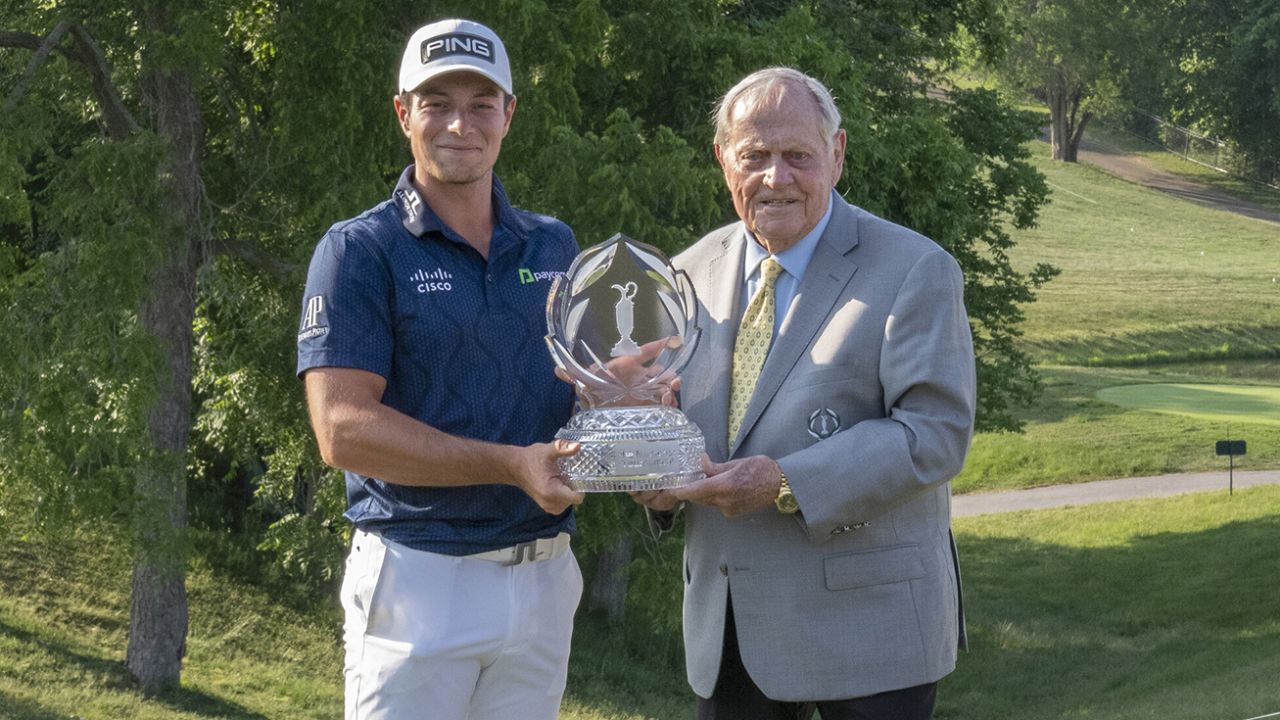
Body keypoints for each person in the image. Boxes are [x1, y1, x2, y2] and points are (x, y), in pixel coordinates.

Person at [633, 67, 977, 720]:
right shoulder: (684, 274)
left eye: (797, 156)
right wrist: (654, 480)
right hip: (732, 628)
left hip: (871, 631)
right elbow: (670, 419)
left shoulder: (915, 269)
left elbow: (933, 434)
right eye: (754, 156)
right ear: (722, 159)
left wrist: (784, 479)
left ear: (837, 154)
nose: (775, 177)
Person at [296, 18, 585, 720]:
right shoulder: (359, 250)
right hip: (418, 580)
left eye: (482, 102)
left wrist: (628, 396)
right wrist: (512, 464)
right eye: (436, 102)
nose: (461, 123)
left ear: (509, 115)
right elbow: (344, 432)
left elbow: (581, 391)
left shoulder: (553, 244)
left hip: (545, 579)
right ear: (404, 115)